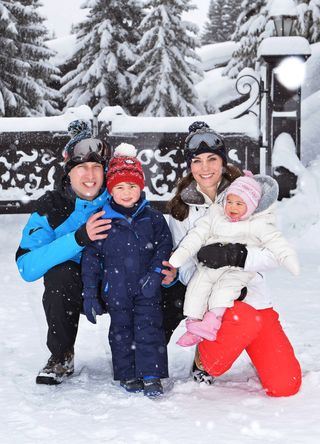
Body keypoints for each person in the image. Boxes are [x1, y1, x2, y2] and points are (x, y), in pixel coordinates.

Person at [163, 121, 301, 396]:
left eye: (212, 159)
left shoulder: (248, 194)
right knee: (225, 348)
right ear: (189, 166)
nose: (205, 168)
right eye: (198, 161)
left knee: (286, 385)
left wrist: (239, 256)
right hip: (216, 303)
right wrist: (216, 282)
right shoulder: (183, 210)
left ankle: (244, 339)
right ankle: (204, 358)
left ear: (223, 161)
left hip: (257, 300)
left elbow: (275, 253)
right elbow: (186, 269)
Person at [15, 119, 113, 385]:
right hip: (76, 290)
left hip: (116, 285)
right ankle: (61, 356)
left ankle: (138, 354)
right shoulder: (52, 206)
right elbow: (27, 266)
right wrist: (78, 238)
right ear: (68, 172)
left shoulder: (120, 198)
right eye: (81, 167)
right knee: (60, 274)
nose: (90, 175)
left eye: (96, 167)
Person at [81, 143, 173, 398]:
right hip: (117, 288)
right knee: (121, 331)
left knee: (149, 328)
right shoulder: (102, 218)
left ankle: (152, 375)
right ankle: (127, 373)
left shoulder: (153, 218)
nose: (126, 192)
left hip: (147, 286)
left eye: (132, 186)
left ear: (140, 187)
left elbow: (165, 246)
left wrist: (156, 272)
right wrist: (91, 292)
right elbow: (91, 256)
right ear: (111, 189)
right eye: (120, 187)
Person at [169, 173, 300, 346]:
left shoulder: (257, 223)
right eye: (229, 202)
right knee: (196, 287)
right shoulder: (216, 216)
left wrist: (238, 255)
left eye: (239, 204)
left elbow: (277, 245)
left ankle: (210, 323)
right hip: (209, 267)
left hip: (237, 272)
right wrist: (180, 255)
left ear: (251, 206)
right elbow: (196, 235)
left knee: (222, 293)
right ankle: (194, 325)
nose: (232, 207)